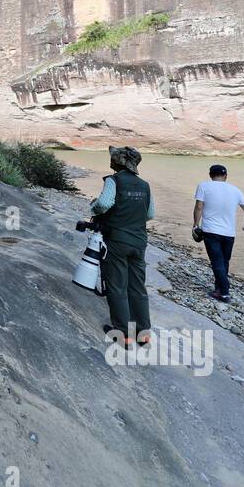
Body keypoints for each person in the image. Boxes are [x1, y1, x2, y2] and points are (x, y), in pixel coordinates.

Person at [88, 145, 155, 347]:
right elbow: (150, 215)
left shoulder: (113, 180)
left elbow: (103, 204)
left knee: (117, 285)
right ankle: (143, 334)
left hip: (117, 240)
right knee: (137, 285)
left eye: (113, 158)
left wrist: (93, 206)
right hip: (139, 241)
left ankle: (123, 334)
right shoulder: (145, 185)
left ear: (118, 162)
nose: (110, 161)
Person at [192, 164, 244, 303]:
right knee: (224, 261)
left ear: (210, 175)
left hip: (211, 231)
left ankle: (224, 292)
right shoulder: (235, 190)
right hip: (229, 233)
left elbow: (199, 207)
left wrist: (196, 225)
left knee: (217, 262)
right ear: (226, 176)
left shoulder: (204, 186)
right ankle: (219, 288)